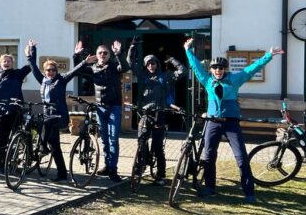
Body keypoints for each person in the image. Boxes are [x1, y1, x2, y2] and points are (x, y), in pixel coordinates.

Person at [184, 38, 284, 203]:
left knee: (241, 157)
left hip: (231, 123)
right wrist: (188, 50)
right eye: (215, 68)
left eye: (221, 68)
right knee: (209, 156)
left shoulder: (234, 79)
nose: (218, 70)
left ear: (225, 69)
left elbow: (251, 69)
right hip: (213, 122)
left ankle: (249, 192)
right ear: (212, 70)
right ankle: (210, 187)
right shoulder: (207, 80)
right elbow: (196, 67)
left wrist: (269, 55)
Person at [28, 40, 95, 181]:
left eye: (53, 70)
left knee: (46, 123)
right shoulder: (43, 81)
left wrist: (84, 61)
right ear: (45, 71)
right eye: (48, 70)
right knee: (55, 147)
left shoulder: (61, 80)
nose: (51, 72)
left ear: (56, 71)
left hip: (60, 116)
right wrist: (32, 51)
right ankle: (62, 174)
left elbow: (73, 72)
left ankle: (41, 148)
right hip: (48, 115)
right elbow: (33, 67)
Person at [127, 38, 186, 185]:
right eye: (148, 63)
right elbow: (130, 63)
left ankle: (161, 175)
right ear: (145, 66)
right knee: (141, 142)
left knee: (158, 147)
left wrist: (171, 59)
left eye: (153, 63)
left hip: (159, 114)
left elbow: (183, 71)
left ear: (157, 64)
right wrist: (132, 47)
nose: (151, 66)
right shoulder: (142, 75)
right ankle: (140, 166)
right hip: (145, 113)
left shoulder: (165, 76)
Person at [74, 40, 130, 182]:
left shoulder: (114, 66)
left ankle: (113, 169)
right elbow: (78, 70)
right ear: (97, 55)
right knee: (104, 140)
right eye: (100, 53)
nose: (103, 55)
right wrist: (77, 56)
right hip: (100, 107)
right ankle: (107, 166)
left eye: (105, 53)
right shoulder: (93, 68)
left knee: (113, 139)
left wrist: (119, 53)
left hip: (114, 107)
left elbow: (125, 67)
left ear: (109, 55)